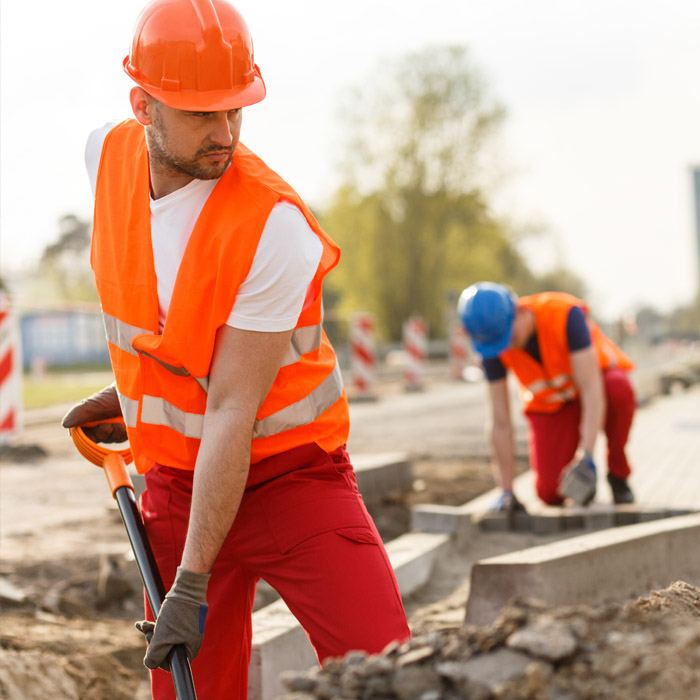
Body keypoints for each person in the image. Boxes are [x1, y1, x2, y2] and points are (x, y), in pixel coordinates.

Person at [61, 1, 410, 697]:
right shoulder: (105, 159)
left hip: (294, 484)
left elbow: (230, 408)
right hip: (179, 485)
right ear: (143, 105)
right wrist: (133, 395)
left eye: (236, 110)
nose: (224, 133)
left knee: (390, 670)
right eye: (201, 114)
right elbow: (165, 320)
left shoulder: (273, 225)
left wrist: (190, 584)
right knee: (193, 689)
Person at [457, 281, 636, 509]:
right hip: (554, 407)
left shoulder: (563, 315)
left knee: (618, 388)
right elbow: (500, 423)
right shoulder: (492, 343)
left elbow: (592, 390)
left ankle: (618, 474)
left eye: (508, 339)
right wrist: (507, 491)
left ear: (520, 312)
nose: (505, 348)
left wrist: (587, 456)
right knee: (550, 492)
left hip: (595, 392)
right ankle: (576, 485)